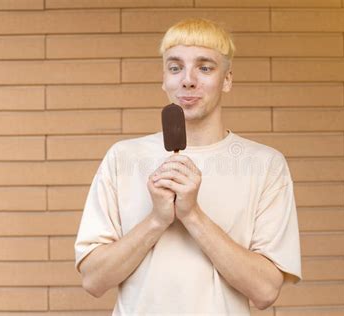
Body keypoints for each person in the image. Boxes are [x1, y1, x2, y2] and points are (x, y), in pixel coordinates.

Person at [74, 18, 302, 315]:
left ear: (228, 79)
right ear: (164, 79)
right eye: (175, 67)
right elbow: (93, 280)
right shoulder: (123, 158)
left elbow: (265, 291)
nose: (188, 80)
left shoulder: (264, 165)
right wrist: (156, 219)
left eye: (205, 67)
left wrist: (192, 214)